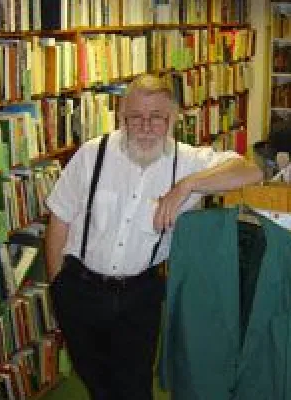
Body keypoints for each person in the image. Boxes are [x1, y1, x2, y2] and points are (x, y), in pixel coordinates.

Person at [45, 73, 263, 400]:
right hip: (80, 288)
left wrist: (187, 186)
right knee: (94, 381)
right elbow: (59, 218)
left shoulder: (187, 161)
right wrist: (58, 287)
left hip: (139, 295)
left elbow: (251, 171)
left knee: (135, 386)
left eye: (157, 117)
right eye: (136, 117)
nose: (146, 127)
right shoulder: (93, 154)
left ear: (173, 118)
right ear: (122, 116)